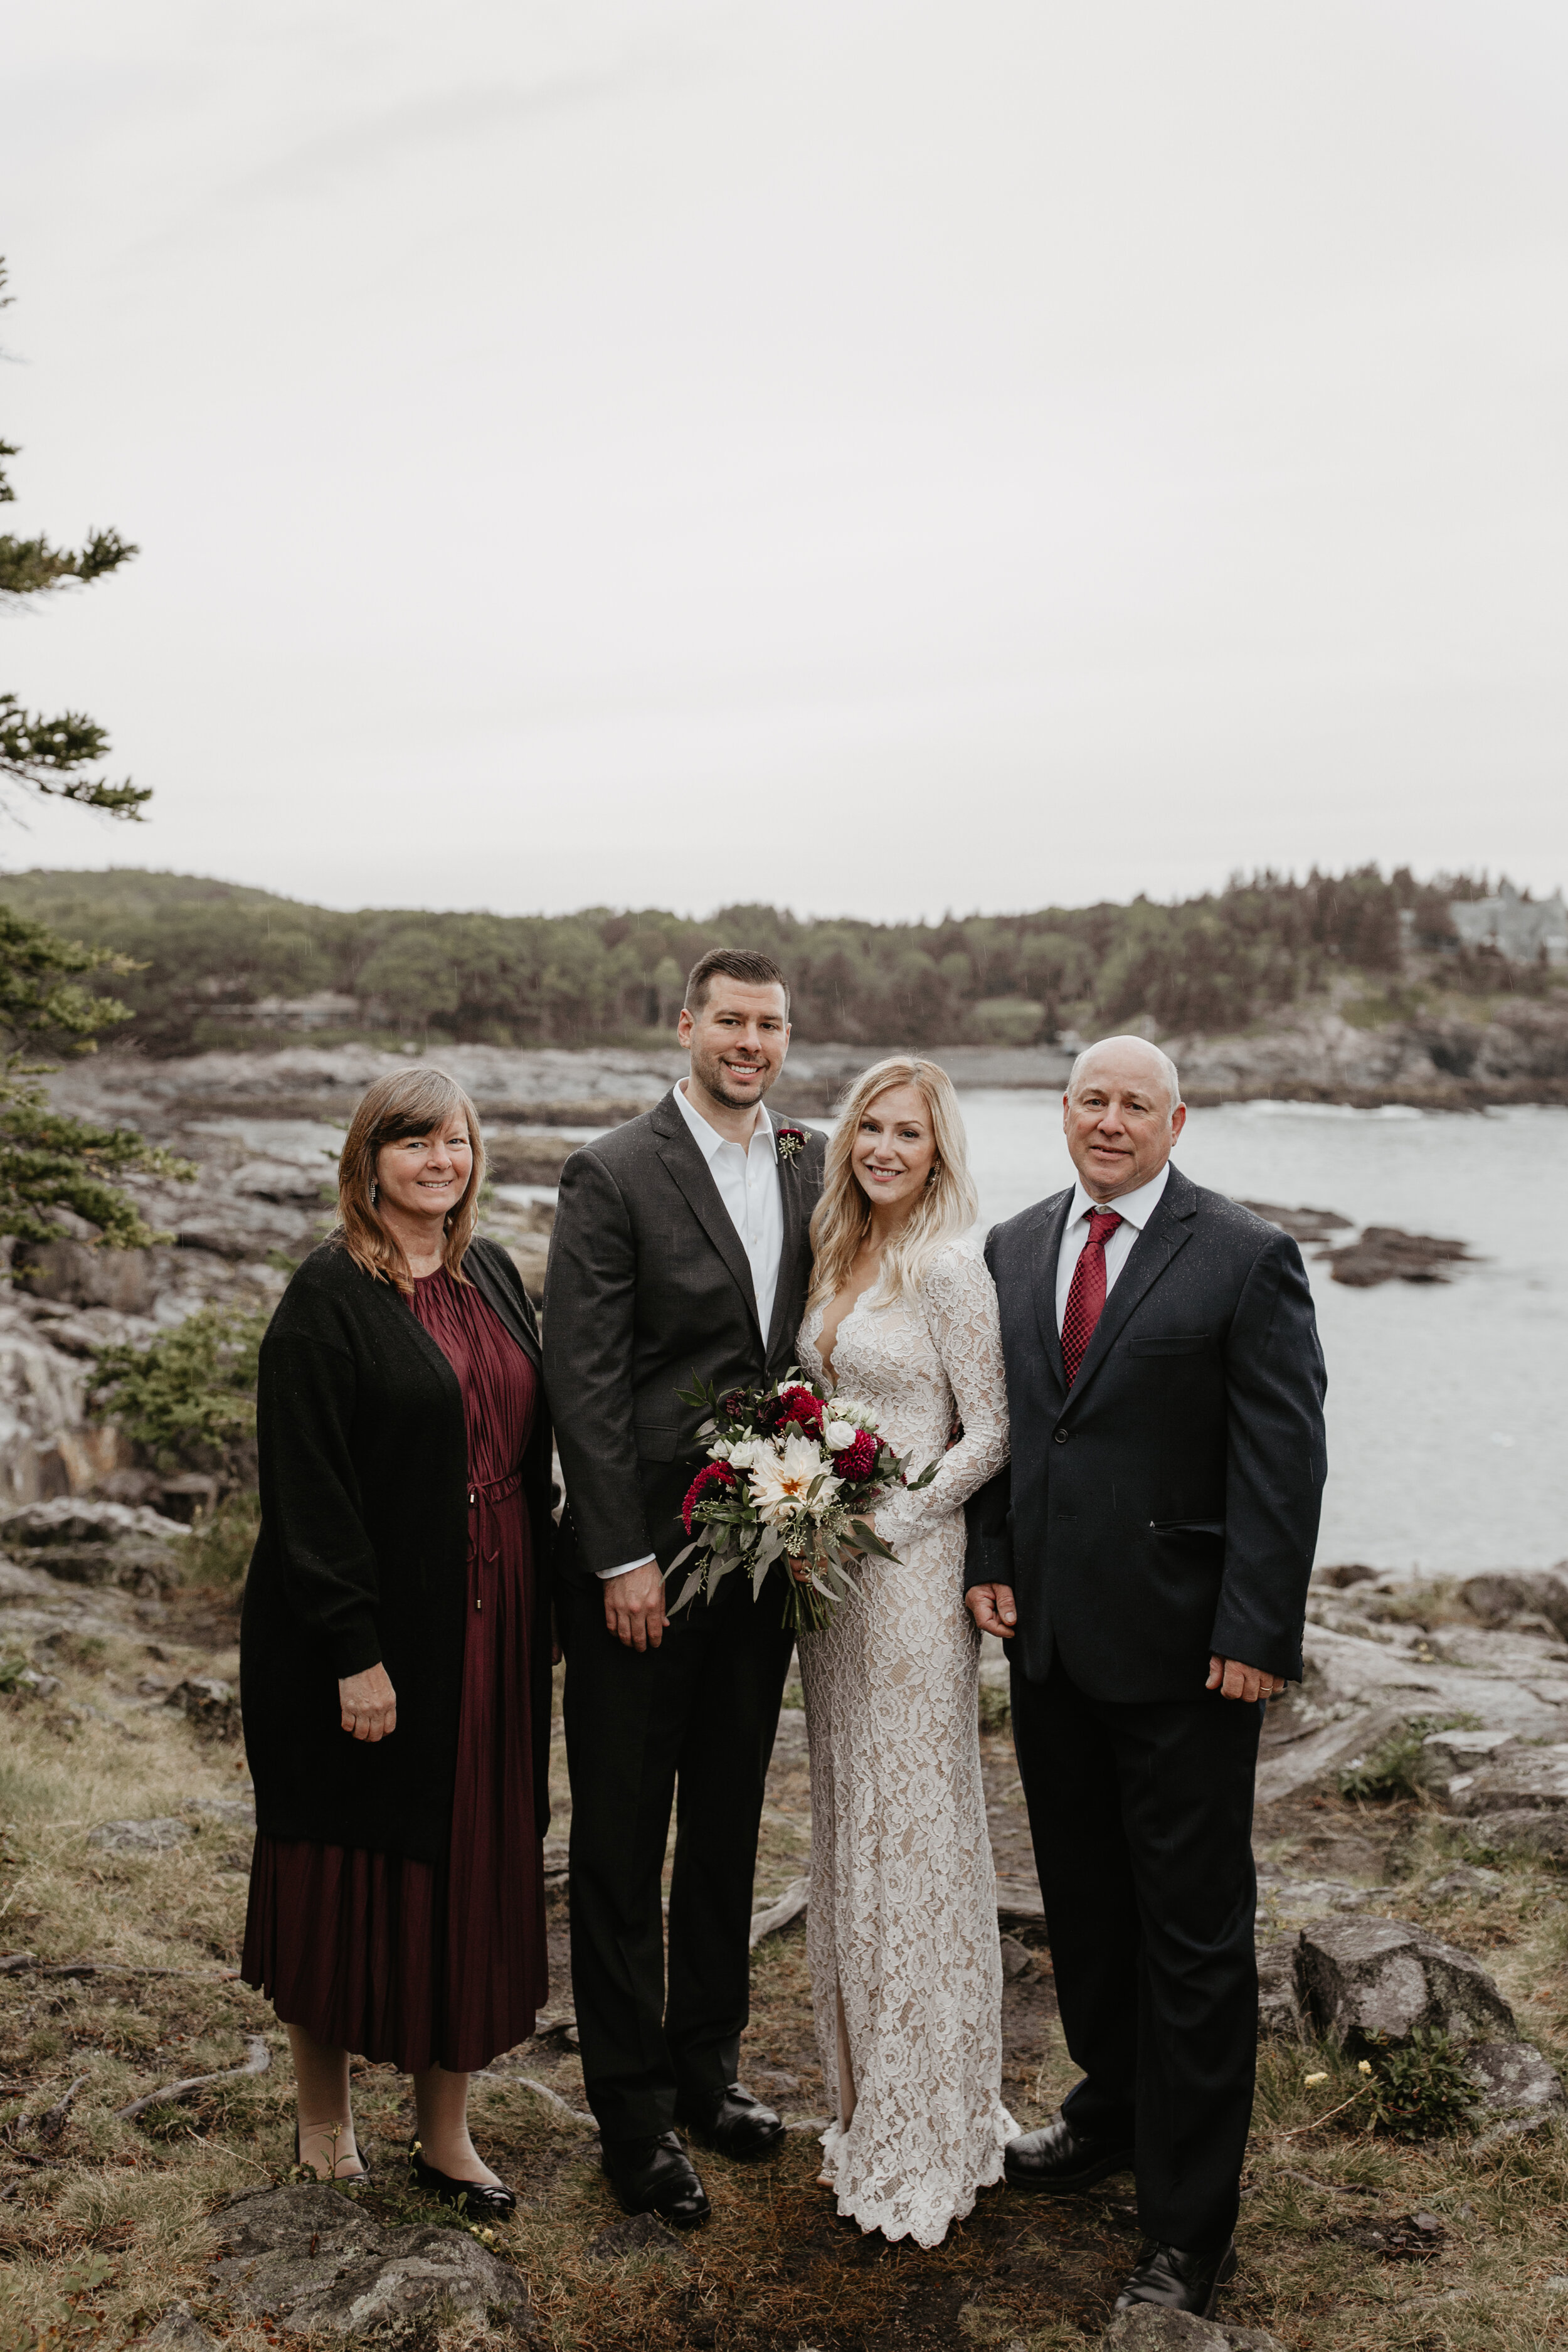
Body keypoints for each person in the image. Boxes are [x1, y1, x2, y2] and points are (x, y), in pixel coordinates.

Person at [964, 1035, 1326, 2319]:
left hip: (1186, 1658)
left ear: (1178, 1121)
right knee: (1086, 1909)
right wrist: (991, 1555)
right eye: (1090, 1100)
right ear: (1060, 1112)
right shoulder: (1009, 1246)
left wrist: (1254, 1631)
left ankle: (1185, 2226)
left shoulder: (1243, 1256)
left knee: (1190, 1939)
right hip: (1049, 1645)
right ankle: (1107, 2112)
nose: (1108, 1121)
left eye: (1134, 1104)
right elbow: (1005, 1428)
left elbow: (1281, 1462)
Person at [543, 948, 828, 2228]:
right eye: (729, 1021)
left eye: (768, 1025)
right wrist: (617, 1555)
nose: (749, 1043)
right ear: (686, 1027)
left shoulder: (809, 1164)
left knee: (722, 1823)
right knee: (618, 1837)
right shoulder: (611, 1171)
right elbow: (584, 1380)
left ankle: (710, 2069)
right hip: (642, 1567)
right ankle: (631, 2114)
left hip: (763, 1557)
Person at [240, 1067, 554, 2220]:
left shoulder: (496, 1273)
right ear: (368, 1160)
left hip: (497, 1617)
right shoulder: (327, 1295)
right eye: (414, 1140)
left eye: (458, 1139)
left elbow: (530, 1448)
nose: (441, 1159)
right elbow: (307, 1492)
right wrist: (352, 1650)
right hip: (378, 1626)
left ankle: (445, 2132)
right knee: (339, 1854)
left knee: (473, 1860)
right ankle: (325, 2120)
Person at [795, 1057, 1014, 2247]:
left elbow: (993, 1431)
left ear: (939, 1150)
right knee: (851, 1811)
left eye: (908, 1134)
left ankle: (932, 2116)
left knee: (916, 1820)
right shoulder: (838, 1252)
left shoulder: (946, 1264)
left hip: (909, 1576)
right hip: (829, 1584)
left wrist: (894, 1518)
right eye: (870, 1127)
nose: (885, 1147)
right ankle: (864, 2090)